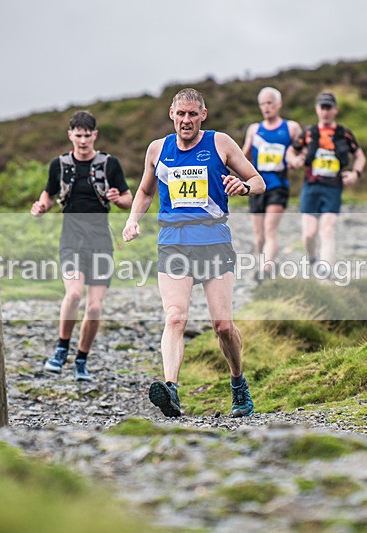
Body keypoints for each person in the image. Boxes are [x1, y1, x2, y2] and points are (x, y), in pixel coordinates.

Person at [122, 88, 265, 418]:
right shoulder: (158, 150)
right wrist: (132, 221)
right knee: (175, 316)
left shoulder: (221, 143)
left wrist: (243, 187)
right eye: (180, 114)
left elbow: (259, 182)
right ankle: (171, 390)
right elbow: (144, 191)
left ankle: (238, 383)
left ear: (204, 115)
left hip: (214, 241)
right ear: (171, 114)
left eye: (192, 114)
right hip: (173, 241)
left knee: (223, 326)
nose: (186, 120)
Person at [31, 110, 133, 382]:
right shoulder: (59, 164)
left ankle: (81, 360)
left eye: (88, 135)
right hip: (71, 240)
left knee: (95, 308)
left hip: (100, 241)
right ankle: (61, 348)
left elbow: (128, 199)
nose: (83, 140)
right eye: (78, 135)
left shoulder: (109, 164)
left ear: (95, 135)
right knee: (74, 294)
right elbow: (49, 194)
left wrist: (117, 198)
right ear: (70, 136)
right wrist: (41, 207)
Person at [287, 91, 366, 271]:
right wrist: (294, 160)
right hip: (311, 186)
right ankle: (312, 258)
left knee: (328, 229)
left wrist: (356, 173)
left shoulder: (344, 134)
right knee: (309, 234)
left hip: (333, 187)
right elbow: (291, 151)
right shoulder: (309, 133)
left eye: (329, 107)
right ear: (317, 109)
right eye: (322, 107)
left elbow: (360, 156)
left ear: (335, 110)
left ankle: (326, 270)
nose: (326, 111)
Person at [241, 87, 302, 280]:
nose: (266, 107)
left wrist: (296, 159)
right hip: (257, 186)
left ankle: (265, 270)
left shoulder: (291, 128)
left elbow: (303, 149)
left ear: (279, 104)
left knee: (270, 228)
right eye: (263, 104)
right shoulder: (254, 130)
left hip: (278, 185)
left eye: (270, 103)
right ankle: (264, 264)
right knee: (259, 236)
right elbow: (243, 157)